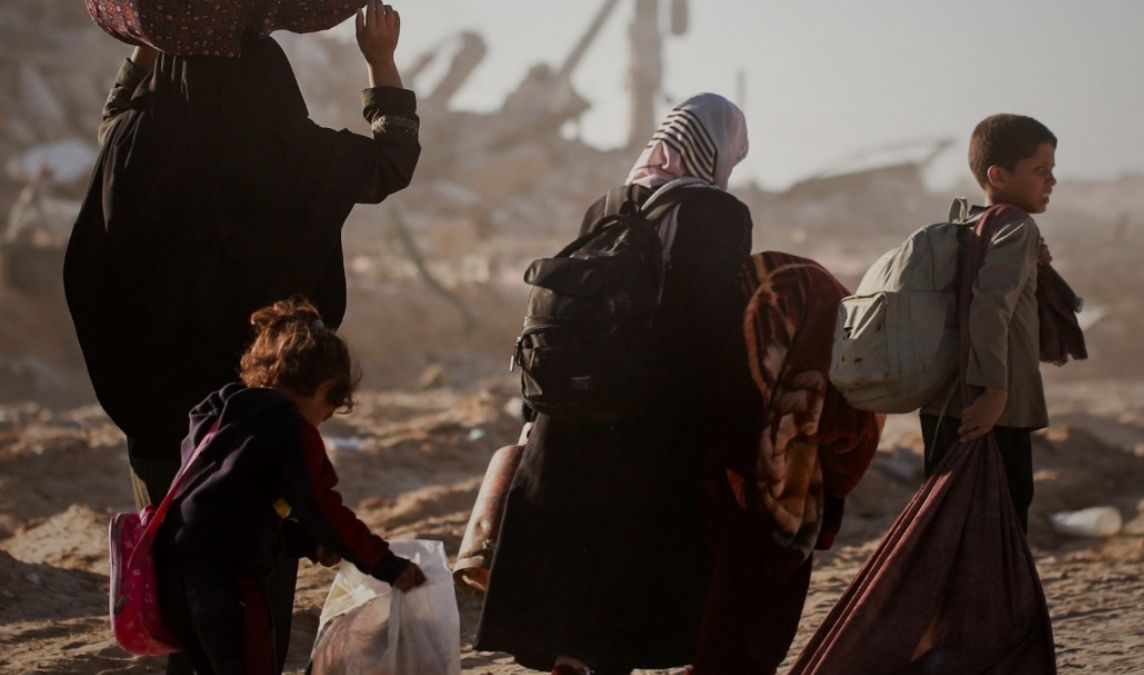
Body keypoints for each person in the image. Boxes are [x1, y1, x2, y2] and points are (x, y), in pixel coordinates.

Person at [64, 2, 417, 669]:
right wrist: (380, 61)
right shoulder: (294, 153)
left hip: (160, 414)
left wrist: (155, 41)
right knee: (253, 595)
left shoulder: (133, 142)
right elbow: (393, 158)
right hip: (259, 417)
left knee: (180, 591)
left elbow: (116, 112)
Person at [474, 93, 761, 675]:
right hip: (651, 416)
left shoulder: (608, 203)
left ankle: (571, 660)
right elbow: (713, 327)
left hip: (570, 410)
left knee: (580, 567)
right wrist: (743, 421)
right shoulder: (718, 213)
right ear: (719, 149)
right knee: (633, 574)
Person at [155, 297, 426, 675]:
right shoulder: (292, 430)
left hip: (171, 567)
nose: (320, 424)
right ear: (326, 388)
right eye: (326, 414)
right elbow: (323, 508)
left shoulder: (219, 414)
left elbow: (233, 505)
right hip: (229, 578)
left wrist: (308, 544)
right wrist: (386, 564)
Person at [692, 253, 882, 675]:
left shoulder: (791, 314)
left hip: (771, 453)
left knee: (754, 563)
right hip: (769, 452)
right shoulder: (807, 312)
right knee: (760, 567)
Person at [919, 113, 1059, 532]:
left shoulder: (966, 223)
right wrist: (995, 391)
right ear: (998, 175)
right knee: (1002, 526)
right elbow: (989, 306)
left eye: (1051, 170)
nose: (1051, 181)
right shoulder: (1017, 227)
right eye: (1040, 170)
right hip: (994, 410)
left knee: (947, 527)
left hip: (944, 402)